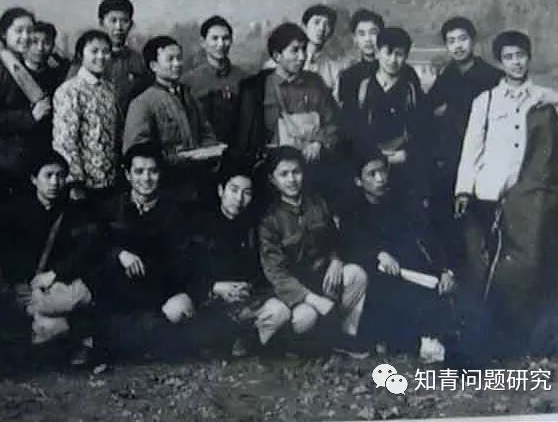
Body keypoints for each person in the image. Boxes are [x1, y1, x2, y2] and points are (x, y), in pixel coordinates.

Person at [454, 31, 558, 358]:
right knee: (494, 266)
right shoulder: (486, 101)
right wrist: (464, 189)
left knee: (534, 265)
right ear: (500, 62)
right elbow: (472, 148)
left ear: (529, 57)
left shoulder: (544, 98)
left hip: (532, 199)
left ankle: (536, 340)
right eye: (509, 57)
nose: (516, 63)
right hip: (491, 192)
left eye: (521, 56)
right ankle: (496, 336)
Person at [0, 151, 103, 366]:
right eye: (48, 175)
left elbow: (88, 248)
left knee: (59, 322)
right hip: (14, 285)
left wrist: (55, 274)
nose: (54, 182)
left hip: (48, 291)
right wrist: (18, 274)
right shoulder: (14, 209)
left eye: (60, 176)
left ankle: (29, 340)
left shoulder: (72, 211)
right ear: (33, 179)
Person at [340, 147, 455, 360]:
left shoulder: (400, 204)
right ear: (358, 181)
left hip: (404, 272)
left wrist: (444, 270)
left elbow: (425, 237)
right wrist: (377, 254)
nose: (380, 179)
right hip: (374, 278)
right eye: (372, 174)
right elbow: (350, 247)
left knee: (436, 294)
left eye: (383, 171)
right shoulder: (352, 210)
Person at [254, 147, 367, 353]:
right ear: (273, 180)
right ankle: (294, 345)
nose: (292, 179)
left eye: (296, 172)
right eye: (284, 174)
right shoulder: (269, 220)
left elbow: (335, 239)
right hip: (294, 292)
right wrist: (314, 300)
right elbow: (276, 273)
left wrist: (336, 260)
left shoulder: (317, 203)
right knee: (307, 316)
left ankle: (346, 337)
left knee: (356, 275)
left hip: (322, 280)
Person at [232, 23, 342, 205]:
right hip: (269, 174)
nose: (302, 56)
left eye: (304, 49)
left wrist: (319, 141)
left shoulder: (316, 84)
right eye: (295, 51)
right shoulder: (255, 87)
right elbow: (244, 137)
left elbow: (335, 122)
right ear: (277, 56)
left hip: (311, 170)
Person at [424, 17, 503, 261]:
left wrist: (450, 112)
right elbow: (428, 112)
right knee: (449, 224)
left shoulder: (492, 76)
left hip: (482, 160)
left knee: (482, 226)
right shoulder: (446, 75)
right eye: (451, 41)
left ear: (473, 41)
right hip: (449, 159)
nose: (457, 46)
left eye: (462, 39)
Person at [97, 144, 195, 327]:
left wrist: (145, 267)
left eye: (153, 171)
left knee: (178, 311)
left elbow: (180, 264)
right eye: (139, 172)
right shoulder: (111, 209)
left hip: (156, 296)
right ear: (128, 175)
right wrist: (119, 254)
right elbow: (96, 246)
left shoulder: (174, 214)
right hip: (118, 298)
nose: (146, 178)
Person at [186, 157, 271, 357]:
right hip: (211, 297)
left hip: (245, 298)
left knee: (277, 311)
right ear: (220, 191)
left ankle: (244, 337)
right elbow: (188, 268)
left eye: (246, 193)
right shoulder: (200, 223)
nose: (239, 199)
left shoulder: (254, 225)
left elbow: (261, 267)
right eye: (233, 190)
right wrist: (213, 287)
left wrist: (247, 287)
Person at [124, 36, 222, 204]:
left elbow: (206, 132)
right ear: (153, 66)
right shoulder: (143, 103)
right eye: (170, 59)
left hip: (196, 182)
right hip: (165, 186)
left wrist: (210, 150)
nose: (177, 64)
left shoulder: (189, 96)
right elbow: (137, 151)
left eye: (179, 58)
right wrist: (182, 158)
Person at [0, 7, 53, 212]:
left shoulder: (32, 71)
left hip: (31, 164)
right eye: (19, 31)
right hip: (1, 166)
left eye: (30, 31)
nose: (26, 37)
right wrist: (30, 117)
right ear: (4, 34)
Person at [347, 27, 426, 204]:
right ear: (377, 53)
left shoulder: (411, 89)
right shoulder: (363, 87)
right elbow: (354, 129)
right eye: (388, 53)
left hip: (402, 163)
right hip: (370, 163)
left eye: (399, 54)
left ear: (406, 56)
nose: (393, 60)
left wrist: (407, 153)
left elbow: (421, 130)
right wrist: (376, 155)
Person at [52, 30, 122, 203]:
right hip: (83, 185)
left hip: (110, 180)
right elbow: (65, 140)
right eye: (94, 51)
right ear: (80, 55)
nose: (101, 57)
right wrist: (74, 183)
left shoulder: (109, 89)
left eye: (106, 52)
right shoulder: (69, 90)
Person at [68, 0, 150, 113]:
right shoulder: (86, 58)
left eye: (124, 21)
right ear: (101, 23)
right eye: (113, 21)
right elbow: (70, 93)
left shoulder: (138, 60)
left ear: (131, 24)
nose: (118, 27)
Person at [182, 15, 247, 144]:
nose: (221, 44)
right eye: (215, 38)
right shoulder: (188, 81)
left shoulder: (244, 78)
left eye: (225, 38)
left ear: (231, 40)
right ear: (203, 42)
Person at [337, 9, 384, 112]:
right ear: (355, 39)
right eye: (362, 34)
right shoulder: (348, 76)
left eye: (373, 33)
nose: (368, 39)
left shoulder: (403, 71)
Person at [300, 4, 345, 93]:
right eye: (316, 22)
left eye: (327, 24)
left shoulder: (334, 69)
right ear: (304, 27)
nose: (321, 28)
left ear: (331, 32)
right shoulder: (287, 61)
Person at [25, 21, 70, 95]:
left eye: (47, 43)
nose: (40, 48)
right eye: (34, 42)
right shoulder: (13, 71)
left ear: (53, 46)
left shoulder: (57, 74)